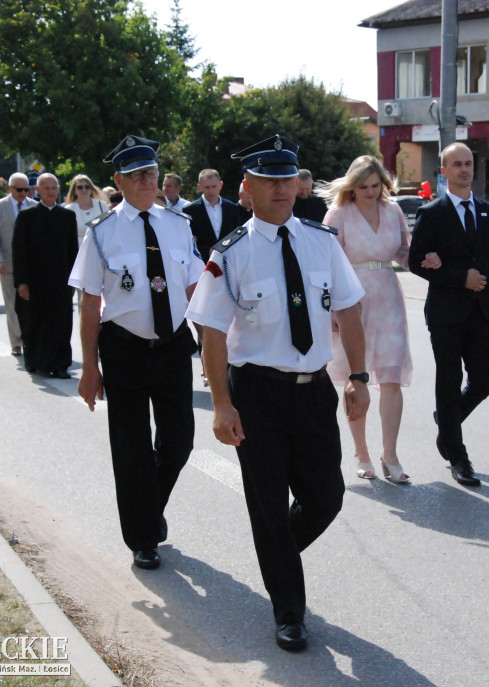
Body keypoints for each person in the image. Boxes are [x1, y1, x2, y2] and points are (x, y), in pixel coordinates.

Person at [186, 134, 369, 652]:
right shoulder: (231, 253)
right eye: (269, 180)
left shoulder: (321, 241)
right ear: (248, 188)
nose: (283, 188)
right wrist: (222, 404)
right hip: (257, 396)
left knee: (326, 499)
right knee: (268, 505)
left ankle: (276, 557)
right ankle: (289, 610)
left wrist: (358, 378)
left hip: (314, 394)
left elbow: (350, 309)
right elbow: (212, 333)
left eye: (288, 178)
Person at [69, 135, 203, 572]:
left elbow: (194, 290)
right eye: (137, 175)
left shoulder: (179, 225)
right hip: (123, 348)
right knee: (131, 449)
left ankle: (148, 506)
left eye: (151, 172)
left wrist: (218, 353)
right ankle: (143, 537)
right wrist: (90, 367)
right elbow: (90, 303)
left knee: (180, 440)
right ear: (119, 181)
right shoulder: (102, 233)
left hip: (172, 346)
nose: (148, 181)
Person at [408, 142, 489, 487]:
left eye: (468, 163)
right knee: (449, 382)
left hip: (483, 312)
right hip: (446, 314)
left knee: (484, 382)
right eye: (456, 164)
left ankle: (447, 421)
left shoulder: (487, 212)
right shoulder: (432, 213)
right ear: (444, 171)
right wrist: (458, 277)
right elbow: (416, 261)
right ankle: (458, 456)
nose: (464, 169)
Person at [319, 156, 419, 483]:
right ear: (352, 186)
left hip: (388, 295)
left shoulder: (393, 212)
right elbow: (327, 262)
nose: (370, 192)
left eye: (376, 186)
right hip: (352, 299)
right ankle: (361, 452)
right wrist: (334, 309)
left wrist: (423, 259)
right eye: (363, 187)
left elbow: (403, 252)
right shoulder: (339, 214)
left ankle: (390, 455)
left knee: (391, 376)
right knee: (356, 377)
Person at [13, 173, 79, 378]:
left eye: (54, 187)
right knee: (35, 322)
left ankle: (60, 364)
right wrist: (22, 282)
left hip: (60, 281)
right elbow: (19, 251)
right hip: (35, 280)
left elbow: (72, 251)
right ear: (38, 190)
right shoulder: (27, 216)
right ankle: (34, 361)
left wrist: (74, 280)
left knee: (61, 323)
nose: (51, 192)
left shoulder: (67, 216)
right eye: (46, 188)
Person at [0, 173, 37, 356]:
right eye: (20, 189)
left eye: (27, 189)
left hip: (31, 266)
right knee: (12, 304)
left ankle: (31, 338)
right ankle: (16, 341)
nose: (24, 193)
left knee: (31, 304)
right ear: (10, 188)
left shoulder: (35, 206)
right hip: (8, 265)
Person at [183, 169, 243, 261]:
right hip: (201, 262)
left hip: (229, 261)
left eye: (214, 186)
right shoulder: (190, 210)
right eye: (207, 187)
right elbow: (187, 240)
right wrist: (207, 250)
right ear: (200, 187)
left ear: (221, 185)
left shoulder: (232, 208)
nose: (211, 190)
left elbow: (237, 234)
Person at [63, 174, 109, 243]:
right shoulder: (68, 209)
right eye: (80, 187)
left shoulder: (102, 206)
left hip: (100, 247)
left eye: (87, 187)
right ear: (74, 191)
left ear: (91, 189)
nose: (84, 189)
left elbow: (109, 228)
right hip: (78, 249)